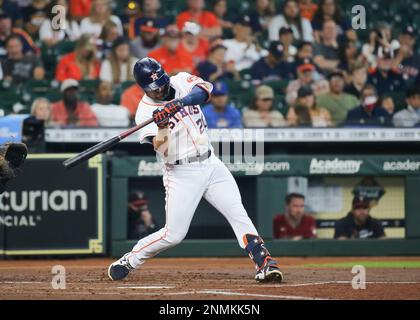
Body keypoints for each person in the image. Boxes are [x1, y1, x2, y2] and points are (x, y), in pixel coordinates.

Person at [108, 57, 283, 283]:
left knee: (237, 213)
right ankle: (130, 259)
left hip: (211, 163)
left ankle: (264, 262)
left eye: (161, 82)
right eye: (154, 88)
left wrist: (179, 103)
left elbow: (204, 92)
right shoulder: (144, 112)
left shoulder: (180, 81)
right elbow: (162, 148)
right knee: (174, 235)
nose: (160, 89)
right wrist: (162, 125)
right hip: (181, 173)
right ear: (143, 88)